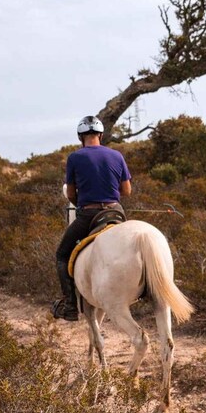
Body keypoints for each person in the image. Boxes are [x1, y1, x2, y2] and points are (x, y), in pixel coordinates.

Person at [52, 116, 132, 321]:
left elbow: (70, 193)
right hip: (116, 211)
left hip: (89, 214)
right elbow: (127, 190)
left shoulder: (75, 158)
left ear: (80, 137)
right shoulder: (117, 155)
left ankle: (70, 305)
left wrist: (82, 202)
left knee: (62, 255)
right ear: (101, 135)